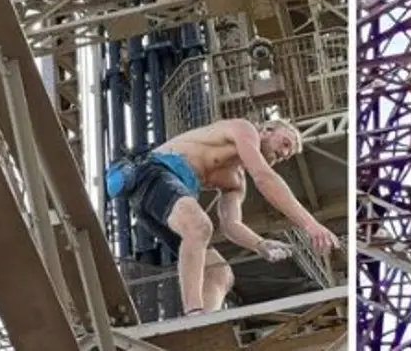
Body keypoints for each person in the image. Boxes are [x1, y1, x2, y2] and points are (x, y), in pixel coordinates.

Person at [127, 118, 340, 316]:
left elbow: (231, 225)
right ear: (266, 130)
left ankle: (203, 333)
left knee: (220, 273)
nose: (284, 154)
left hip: (154, 205)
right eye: (285, 143)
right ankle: (193, 318)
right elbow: (264, 178)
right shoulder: (244, 129)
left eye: (289, 154)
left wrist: (260, 244)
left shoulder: (236, 181)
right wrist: (311, 225)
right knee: (199, 226)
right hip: (152, 171)